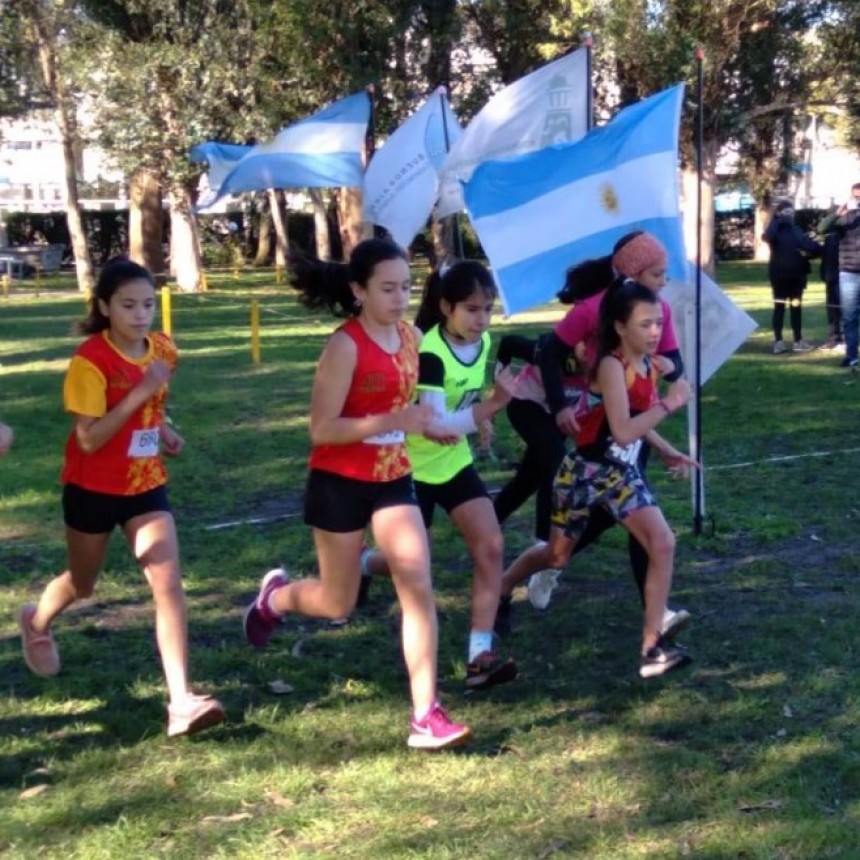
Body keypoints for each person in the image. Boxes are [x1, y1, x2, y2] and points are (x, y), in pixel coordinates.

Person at [242, 239, 471, 750]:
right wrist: (395, 420)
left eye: (405, 287)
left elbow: (410, 410)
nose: (399, 298)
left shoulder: (412, 338)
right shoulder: (344, 346)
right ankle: (274, 599)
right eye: (387, 288)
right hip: (339, 481)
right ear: (358, 290)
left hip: (393, 477)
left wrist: (429, 427)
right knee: (336, 601)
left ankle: (425, 713)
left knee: (417, 577)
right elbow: (322, 430)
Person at [16, 259, 224, 738]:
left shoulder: (164, 351)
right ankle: (37, 618)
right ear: (105, 306)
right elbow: (88, 439)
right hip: (92, 488)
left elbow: (154, 405)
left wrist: (164, 430)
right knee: (83, 584)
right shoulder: (90, 361)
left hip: (145, 484)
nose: (140, 315)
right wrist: (140, 394)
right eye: (128, 305)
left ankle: (181, 701)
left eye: (147, 304)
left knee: (168, 584)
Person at [498, 279, 697, 677]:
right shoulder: (610, 365)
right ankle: (501, 588)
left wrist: (662, 447)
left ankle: (652, 646)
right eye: (645, 324)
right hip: (585, 472)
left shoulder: (648, 364)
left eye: (659, 323)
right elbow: (623, 429)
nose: (656, 332)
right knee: (556, 555)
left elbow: (636, 416)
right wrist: (672, 404)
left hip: (619, 473)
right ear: (621, 327)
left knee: (662, 542)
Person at [361, 261, 519, 690]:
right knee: (411, 563)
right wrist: (494, 405)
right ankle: (360, 564)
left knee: (490, 546)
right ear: (446, 307)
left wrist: (482, 418)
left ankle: (479, 656)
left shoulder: (481, 342)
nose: (481, 319)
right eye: (471, 309)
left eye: (487, 309)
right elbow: (438, 423)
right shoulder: (428, 350)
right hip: (410, 468)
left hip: (453, 465)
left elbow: (463, 402)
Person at [762, 200, 821, 354]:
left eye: (792, 212)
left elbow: (811, 247)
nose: (790, 216)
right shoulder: (775, 230)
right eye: (787, 212)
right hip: (779, 276)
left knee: (796, 307)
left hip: (797, 275)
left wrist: (811, 251)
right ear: (780, 213)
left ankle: (798, 339)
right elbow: (767, 237)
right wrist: (777, 220)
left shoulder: (796, 229)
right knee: (779, 307)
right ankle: (778, 341)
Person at [819, 184, 860, 369]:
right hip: (848, 274)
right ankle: (852, 356)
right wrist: (838, 213)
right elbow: (821, 228)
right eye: (856, 197)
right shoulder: (843, 218)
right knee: (849, 317)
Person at [819, 227, 843, 352]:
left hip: (844, 276)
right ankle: (833, 337)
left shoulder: (848, 234)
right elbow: (825, 257)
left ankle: (843, 338)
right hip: (831, 277)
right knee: (832, 309)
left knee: (843, 308)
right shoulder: (830, 237)